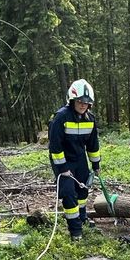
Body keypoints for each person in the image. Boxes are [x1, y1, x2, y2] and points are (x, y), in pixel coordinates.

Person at [49, 79, 101, 239]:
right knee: (69, 194)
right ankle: (75, 230)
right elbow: (55, 146)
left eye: (86, 102)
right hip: (63, 161)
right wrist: (63, 168)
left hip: (80, 159)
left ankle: (82, 218)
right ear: (72, 100)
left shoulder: (90, 119)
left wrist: (96, 164)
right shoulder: (61, 117)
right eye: (80, 101)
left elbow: (93, 144)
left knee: (83, 190)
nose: (83, 104)